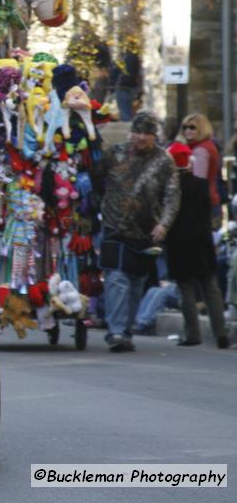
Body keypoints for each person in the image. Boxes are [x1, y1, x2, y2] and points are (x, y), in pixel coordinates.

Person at [93, 112, 180, 352]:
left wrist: (164, 224)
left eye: (147, 133)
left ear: (155, 135)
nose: (141, 137)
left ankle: (126, 329)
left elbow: (172, 196)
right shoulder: (115, 153)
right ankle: (117, 331)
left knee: (135, 283)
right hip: (113, 227)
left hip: (144, 232)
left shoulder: (164, 161)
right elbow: (95, 179)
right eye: (137, 132)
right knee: (116, 279)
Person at [164, 143, 230, 348]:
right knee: (210, 286)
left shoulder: (169, 187)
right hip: (202, 240)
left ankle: (192, 334)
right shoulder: (201, 185)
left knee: (186, 288)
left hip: (178, 242)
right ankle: (220, 332)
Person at [177, 113, 222, 227]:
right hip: (208, 201)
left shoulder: (200, 150)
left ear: (202, 129)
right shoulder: (206, 145)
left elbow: (198, 182)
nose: (188, 130)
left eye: (192, 127)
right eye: (185, 127)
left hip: (202, 203)